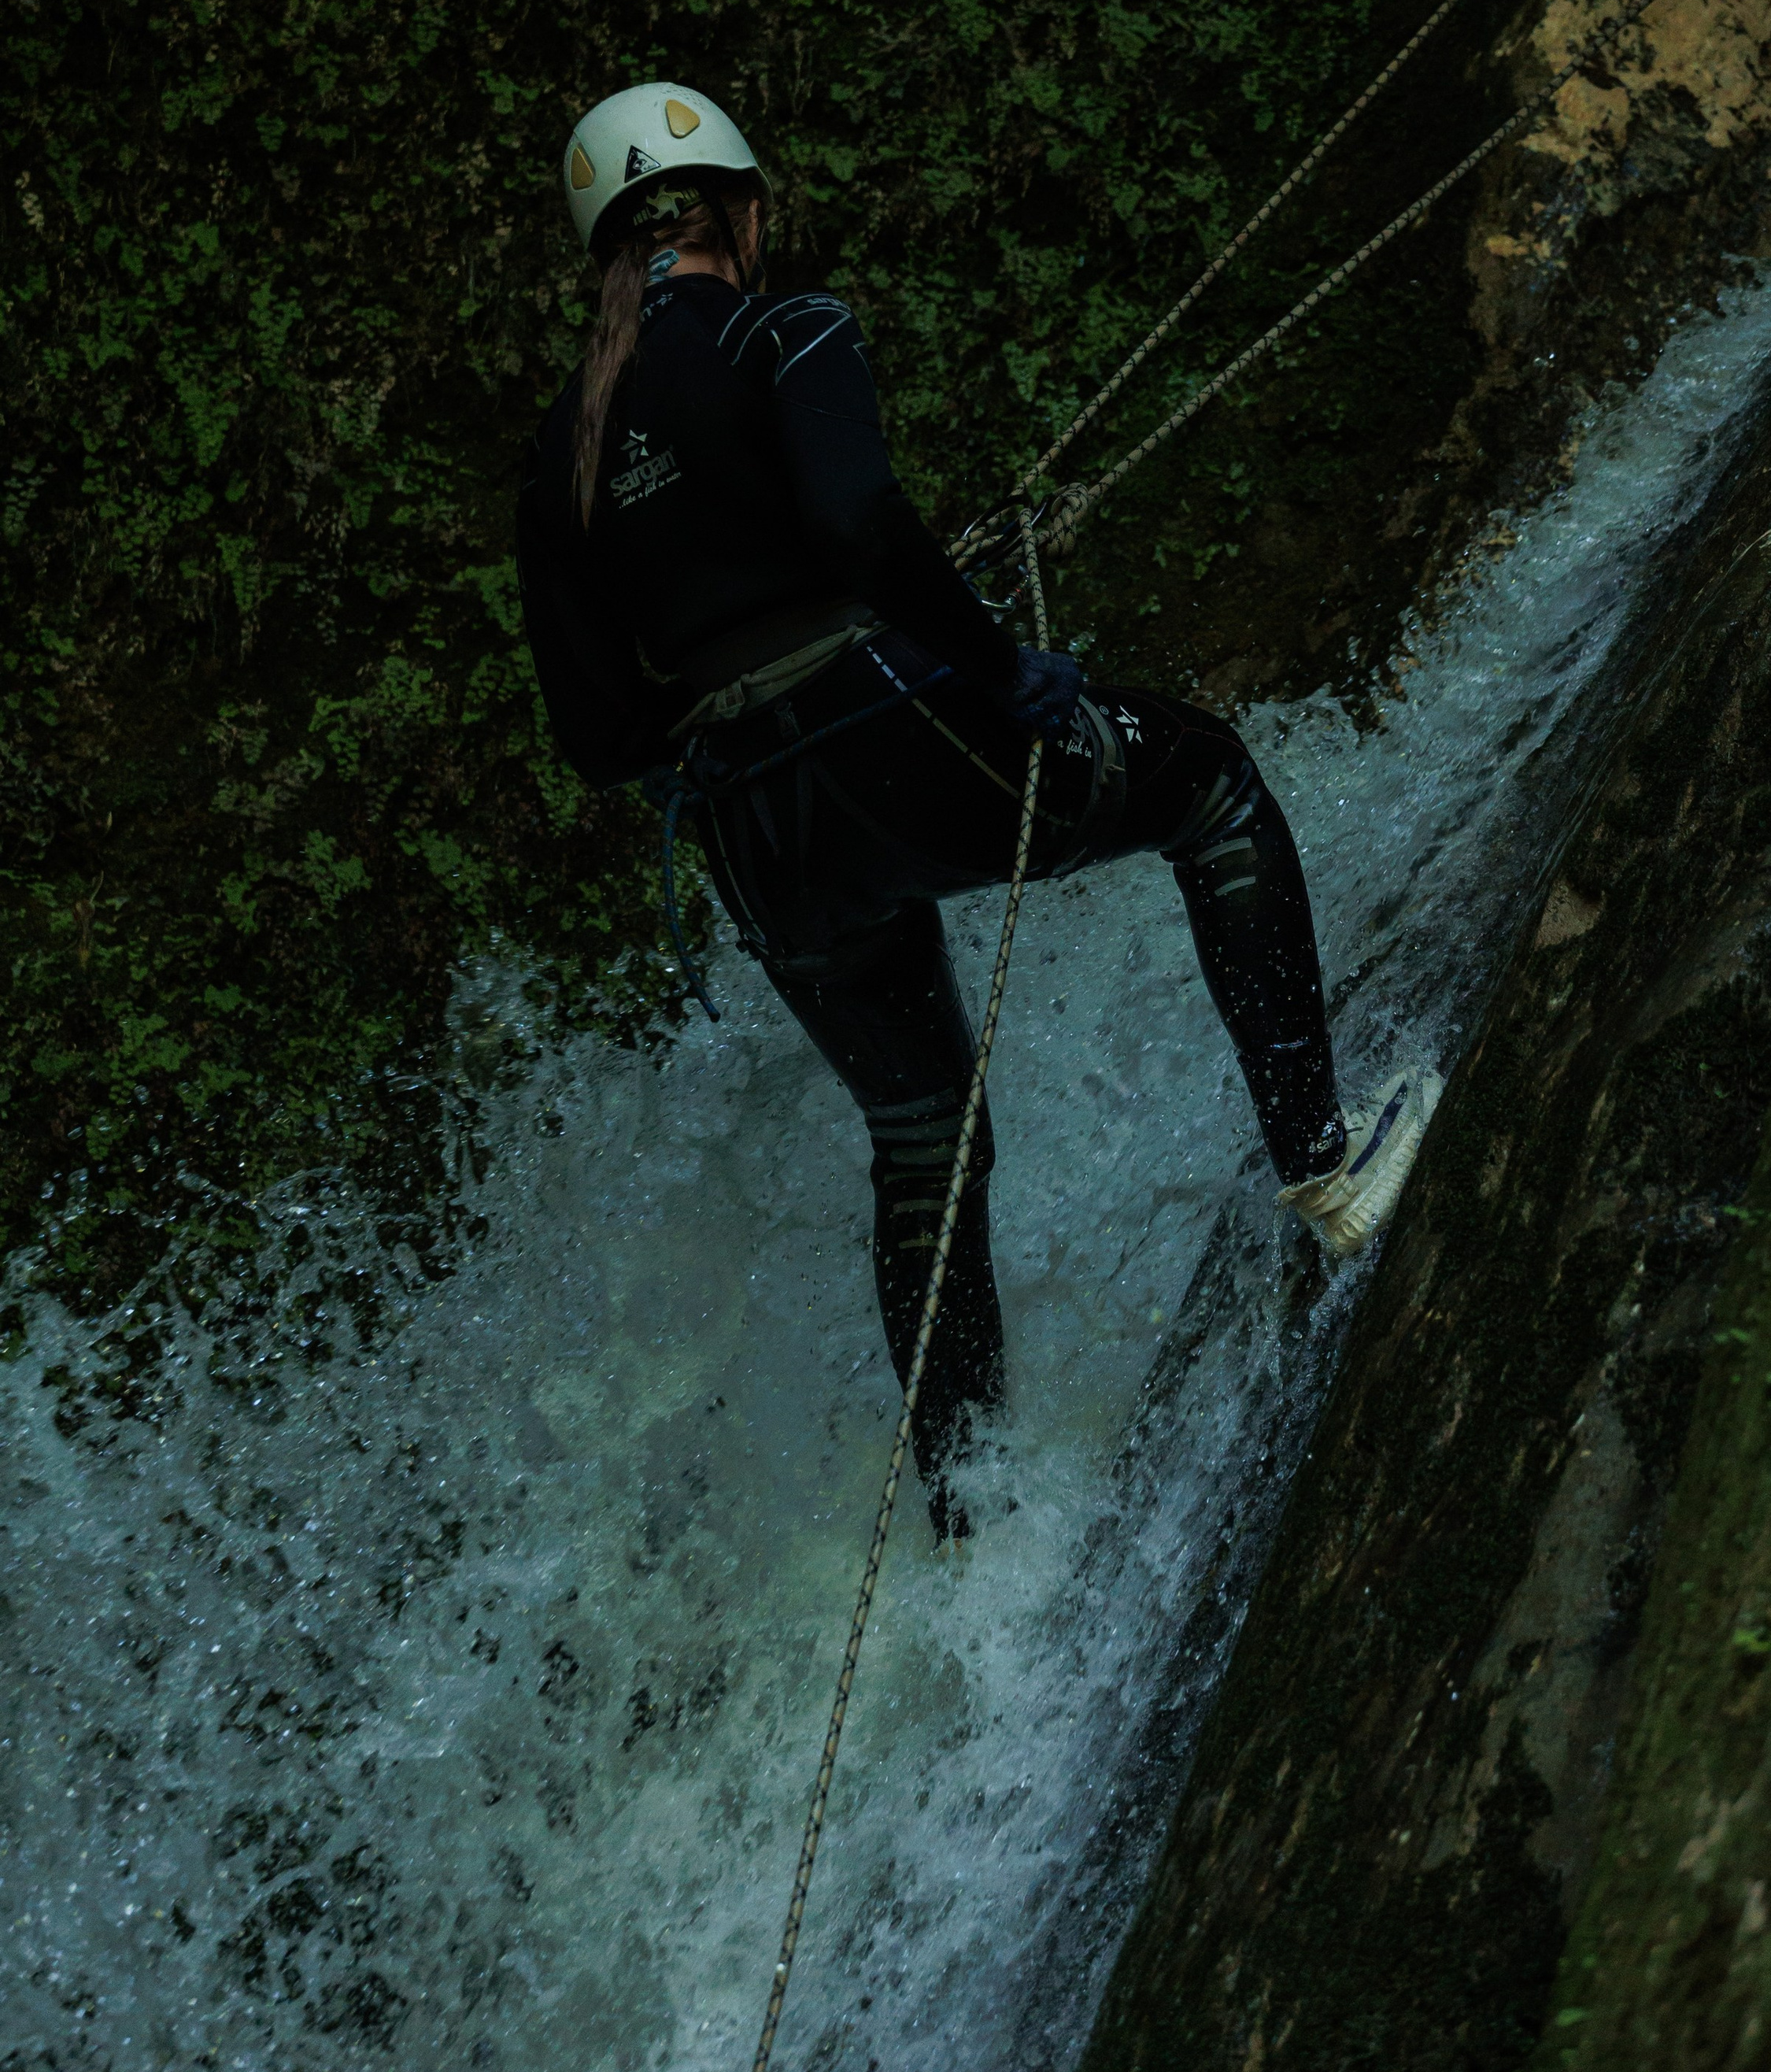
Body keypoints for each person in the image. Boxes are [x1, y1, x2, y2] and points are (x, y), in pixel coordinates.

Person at [516, 82, 1429, 1534]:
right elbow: (857, 522)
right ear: (743, 215)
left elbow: (597, 733)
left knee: (926, 1138)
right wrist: (999, 668)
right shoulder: (786, 327)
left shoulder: (560, 448)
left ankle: (968, 1502)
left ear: (607, 257)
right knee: (1210, 790)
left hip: (760, 829)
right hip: (897, 728)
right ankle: (1325, 1164)